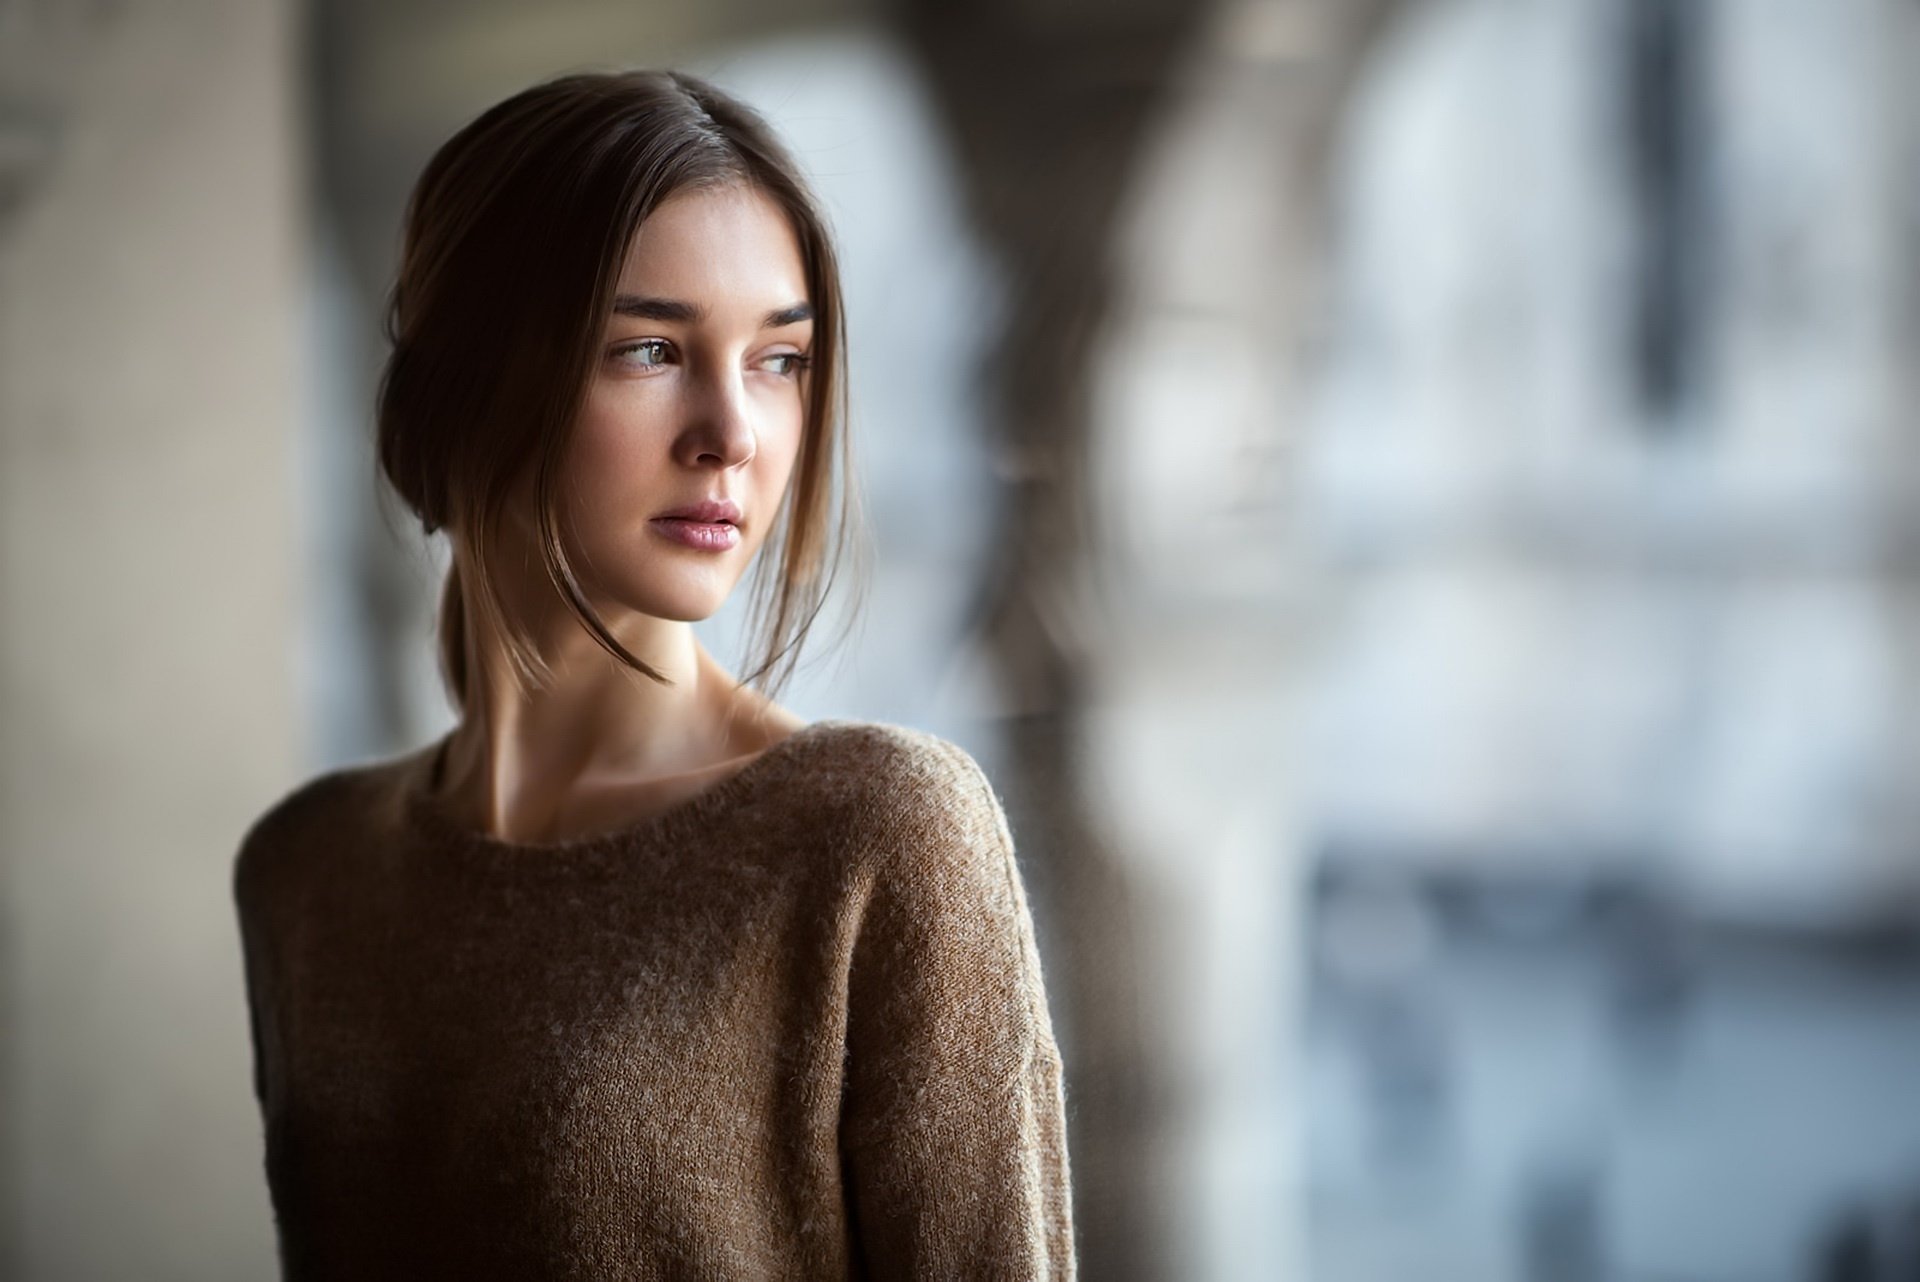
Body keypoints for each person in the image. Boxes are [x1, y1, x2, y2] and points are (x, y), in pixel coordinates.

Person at [230, 67, 1077, 1280]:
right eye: (647, 347)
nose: (732, 432)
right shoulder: (305, 872)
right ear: (470, 382)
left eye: (780, 361)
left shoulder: (879, 835)